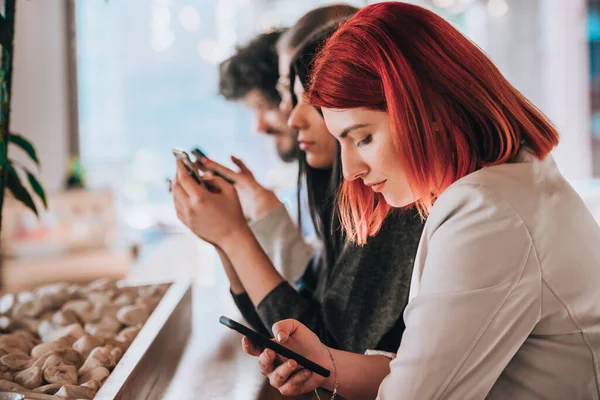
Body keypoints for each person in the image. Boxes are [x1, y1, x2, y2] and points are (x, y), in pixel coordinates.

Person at [232, 3, 600, 399]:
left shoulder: (486, 214)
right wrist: (325, 363)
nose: (351, 169)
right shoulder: (506, 183)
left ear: (430, 111)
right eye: (342, 142)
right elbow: (422, 366)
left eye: (364, 138)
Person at [171, 17, 424, 354]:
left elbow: (326, 349)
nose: (290, 116)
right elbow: (277, 322)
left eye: (303, 95)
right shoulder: (354, 193)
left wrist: (234, 236)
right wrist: (224, 237)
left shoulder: (395, 197)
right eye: (286, 94)